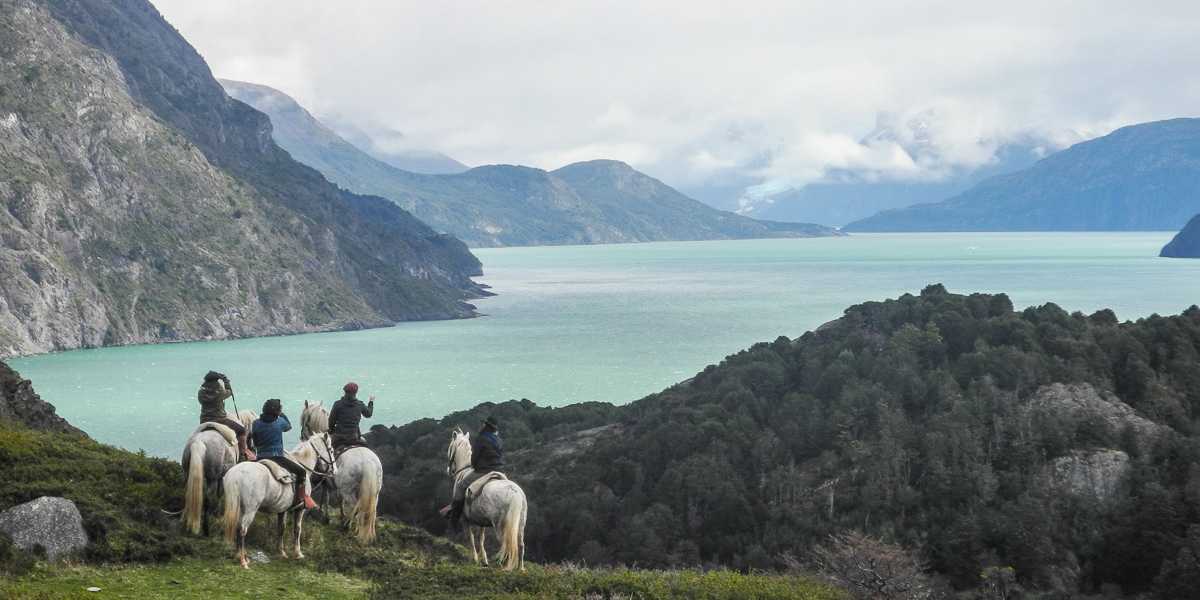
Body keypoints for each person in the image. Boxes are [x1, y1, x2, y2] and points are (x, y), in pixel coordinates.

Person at [251, 399, 316, 510]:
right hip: (277, 457)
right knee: (301, 472)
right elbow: (289, 426)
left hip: (260, 457)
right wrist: (281, 414)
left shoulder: (255, 423)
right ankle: (301, 499)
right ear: (276, 411)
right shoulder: (280, 421)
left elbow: (255, 441)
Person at [443, 416, 504, 531]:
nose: (481, 426)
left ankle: (453, 521)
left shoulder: (481, 439)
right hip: (499, 471)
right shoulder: (499, 440)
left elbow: (474, 458)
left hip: (483, 471)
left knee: (461, 486)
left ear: (486, 426)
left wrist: (474, 467)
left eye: (483, 424)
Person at [198, 371, 255, 461]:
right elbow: (229, 392)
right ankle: (242, 454)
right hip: (219, 419)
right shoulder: (219, 392)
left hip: (204, 420)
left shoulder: (201, 392)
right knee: (241, 430)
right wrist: (226, 382)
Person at [328, 382, 374, 453]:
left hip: (339, 437)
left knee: (327, 452)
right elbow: (368, 414)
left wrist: (331, 430)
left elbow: (331, 421)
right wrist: (371, 402)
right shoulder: (360, 404)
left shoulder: (337, 404)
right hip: (354, 437)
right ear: (356, 392)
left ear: (345, 392)